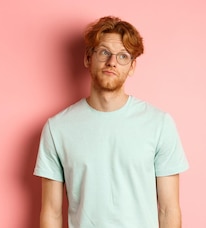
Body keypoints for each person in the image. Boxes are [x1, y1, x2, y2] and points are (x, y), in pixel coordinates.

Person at [34, 16, 189, 228]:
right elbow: (51, 213)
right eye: (104, 52)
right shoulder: (57, 128)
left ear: (132, 67)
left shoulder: (159, 124)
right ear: (88, 58)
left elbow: (168, 209)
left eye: (123, 56)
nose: (112, 62)